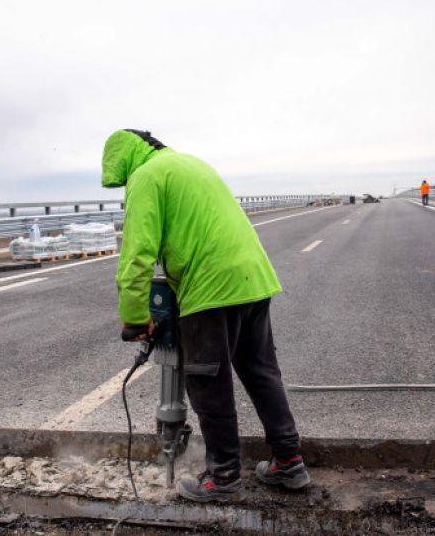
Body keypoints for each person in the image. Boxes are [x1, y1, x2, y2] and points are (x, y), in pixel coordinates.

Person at [101, 129, 309, 503]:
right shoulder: (190, 164)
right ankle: (289, 461)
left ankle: (224, 476)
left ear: (123, 159)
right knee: (261, 373)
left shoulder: (146, 177)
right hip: (253, 279)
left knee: (208, 382)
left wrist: (134, 318)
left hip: (211, 288)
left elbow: (137, 254)